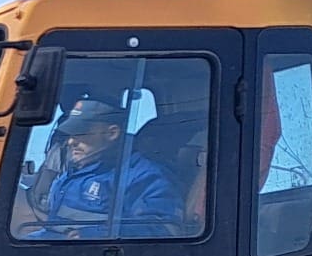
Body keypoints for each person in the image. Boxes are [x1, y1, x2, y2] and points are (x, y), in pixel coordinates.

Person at [15, 96, 187, 239]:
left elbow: (165, 230)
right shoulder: (79, 168)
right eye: (71, 134)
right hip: (56, 247)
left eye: (81, 133)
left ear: (112, 133)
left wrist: (92, 235)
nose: (71, 141)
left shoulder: (144, 176)